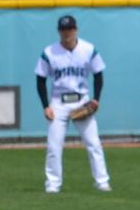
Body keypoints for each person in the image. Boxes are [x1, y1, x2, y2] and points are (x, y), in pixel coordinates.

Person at [35, 14, 111, 194]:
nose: (67, 33)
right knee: (54, 145)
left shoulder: (88, 49)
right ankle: (53, 184)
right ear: (58, 31)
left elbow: (98, 74)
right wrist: (45, 106)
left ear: (76, 30)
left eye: (70, 29)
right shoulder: (49, 53)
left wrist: (96, 99)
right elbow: (40, 80)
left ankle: (102, 182)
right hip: (58, 103)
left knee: (93, 143)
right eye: (63, 29)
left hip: (82, 101)